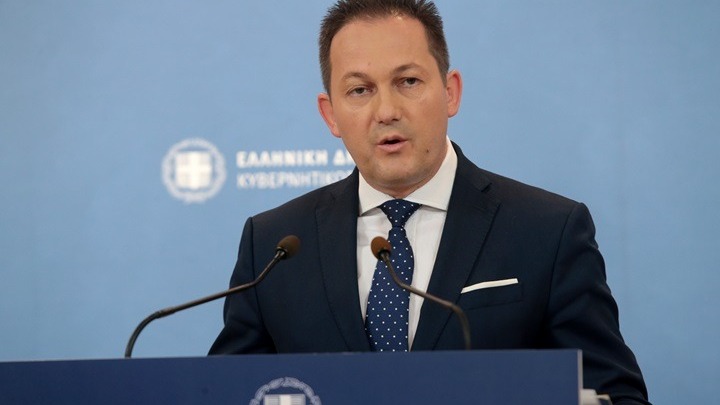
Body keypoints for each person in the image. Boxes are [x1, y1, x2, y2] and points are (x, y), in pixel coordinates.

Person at [210, 0, 650, 403]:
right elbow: (223, 392)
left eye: (408, 81)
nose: (386, 111)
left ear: (450, 91)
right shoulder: (274, 246)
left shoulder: (547, 230)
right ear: (330, 114)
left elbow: (616, 394)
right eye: (360, 90)